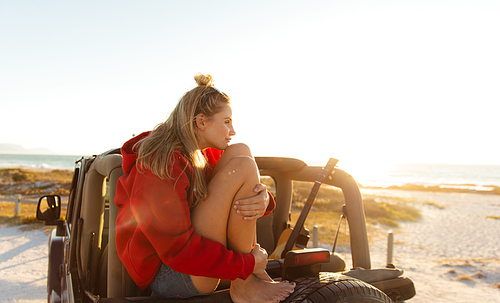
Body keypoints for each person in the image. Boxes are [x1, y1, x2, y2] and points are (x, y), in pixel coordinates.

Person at [115, 73, 296, 302]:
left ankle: (245, 280)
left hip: (196, 258)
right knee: (242, 165)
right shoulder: (159, 166)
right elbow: (178, 251)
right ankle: (245, 281)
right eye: (227, 122)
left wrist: (265, 200)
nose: (232, 131)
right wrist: (247, 264)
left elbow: (237, 189)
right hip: (169, 271)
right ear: (201, 122)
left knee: (241, 151)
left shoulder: (202, 153)